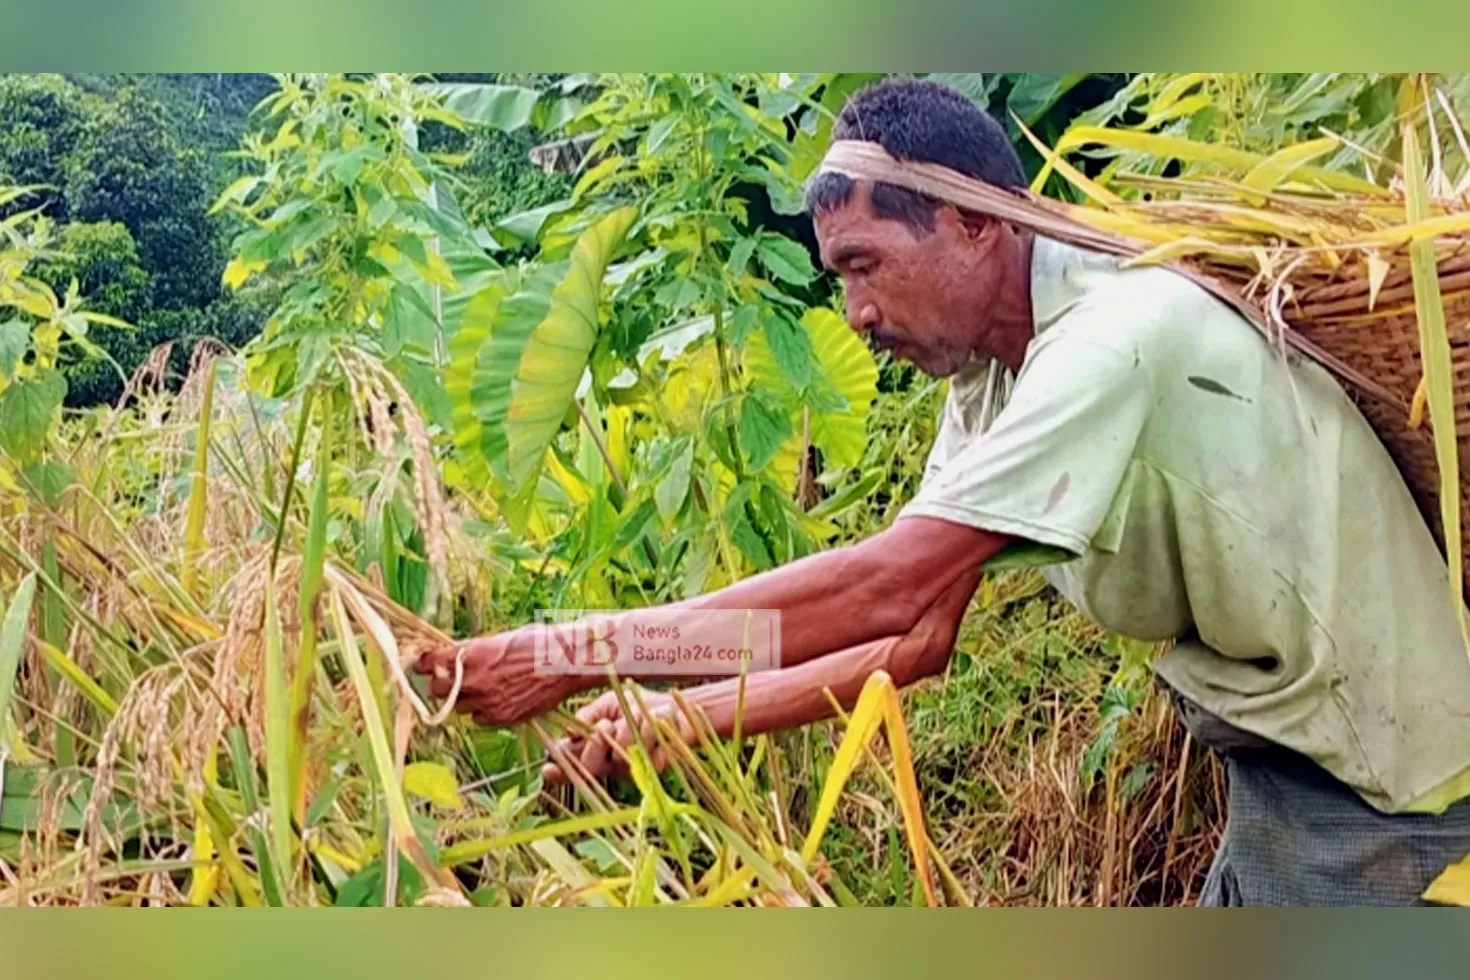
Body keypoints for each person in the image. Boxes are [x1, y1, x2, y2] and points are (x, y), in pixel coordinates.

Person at [417, 77, 1470, 906]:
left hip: (1390, 798)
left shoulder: (1115, 338)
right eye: (841, 278)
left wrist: (567, 653)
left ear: (975, 224)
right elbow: (915, 632)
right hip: (1283, 769)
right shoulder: (989, 377)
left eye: (868, 264)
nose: (859, 311)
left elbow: (882, 586)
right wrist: (675, 720)